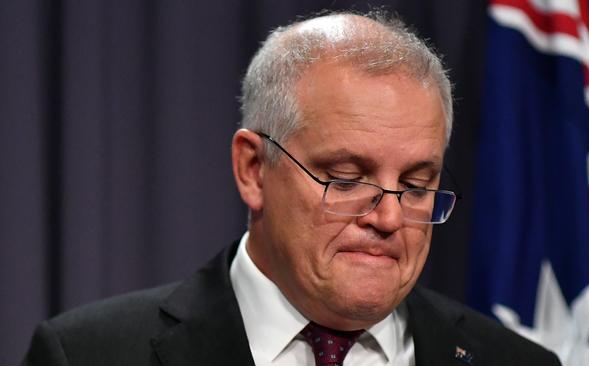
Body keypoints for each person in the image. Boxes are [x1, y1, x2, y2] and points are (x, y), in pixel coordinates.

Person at [23, 11, 561, 366]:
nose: (390, 220)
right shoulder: (90, 354)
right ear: (254, 169)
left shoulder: (516, 362)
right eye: (348, 179)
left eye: (417, 186)